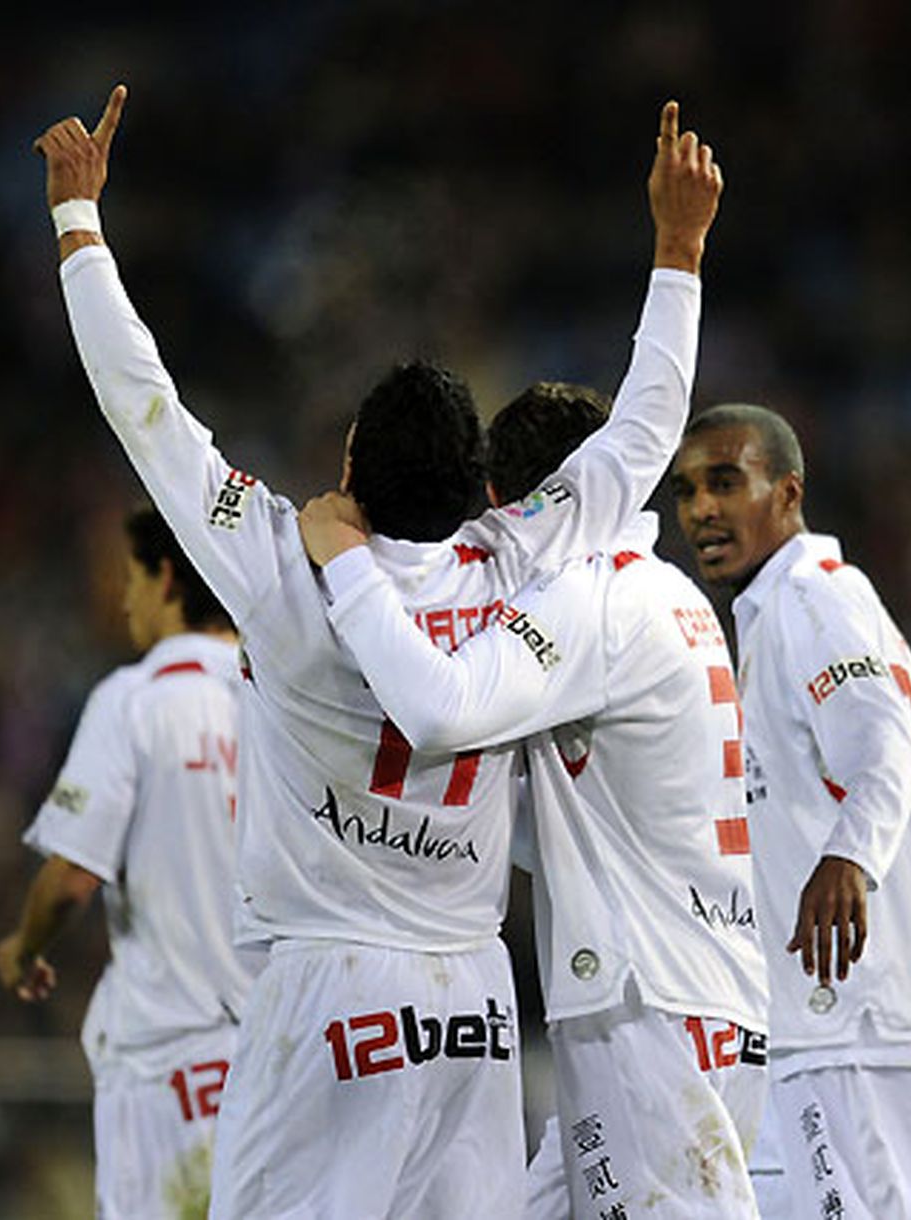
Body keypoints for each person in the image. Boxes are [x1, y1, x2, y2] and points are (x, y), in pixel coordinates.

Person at [34, 85, 721, 1218]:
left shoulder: (280, 566)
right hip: (473, 1002)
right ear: (476, 484)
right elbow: (643, 430)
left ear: (350, 466)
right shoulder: (518, 559)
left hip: (326, 988)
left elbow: (142, 404)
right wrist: (679, 249)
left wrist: (78, 223)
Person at [300, 379, 769, 1218]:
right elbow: (576, 818)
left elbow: (439, 708)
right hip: (694, 997)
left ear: (510, 503)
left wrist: (349, 568)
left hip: (647, 1012)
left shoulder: (593, 600)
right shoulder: (673, 595)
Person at [670, 403, 911, 1220]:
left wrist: (847, 858)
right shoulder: (806, 614)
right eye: (687, 490)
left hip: (852, 1029)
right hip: (855, 1029)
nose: (701, 509)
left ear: (788, 492)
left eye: (726, 482)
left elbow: (885, 748)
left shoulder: (812, 603)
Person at [0, 507, 254, 1220]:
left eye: (132, 579)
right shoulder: (284, 701)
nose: (124, 601)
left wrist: (24, 949)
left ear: (167, 579)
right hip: (282, 1047)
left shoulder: (136, 701)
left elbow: (73, 879)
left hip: (172, 1056)